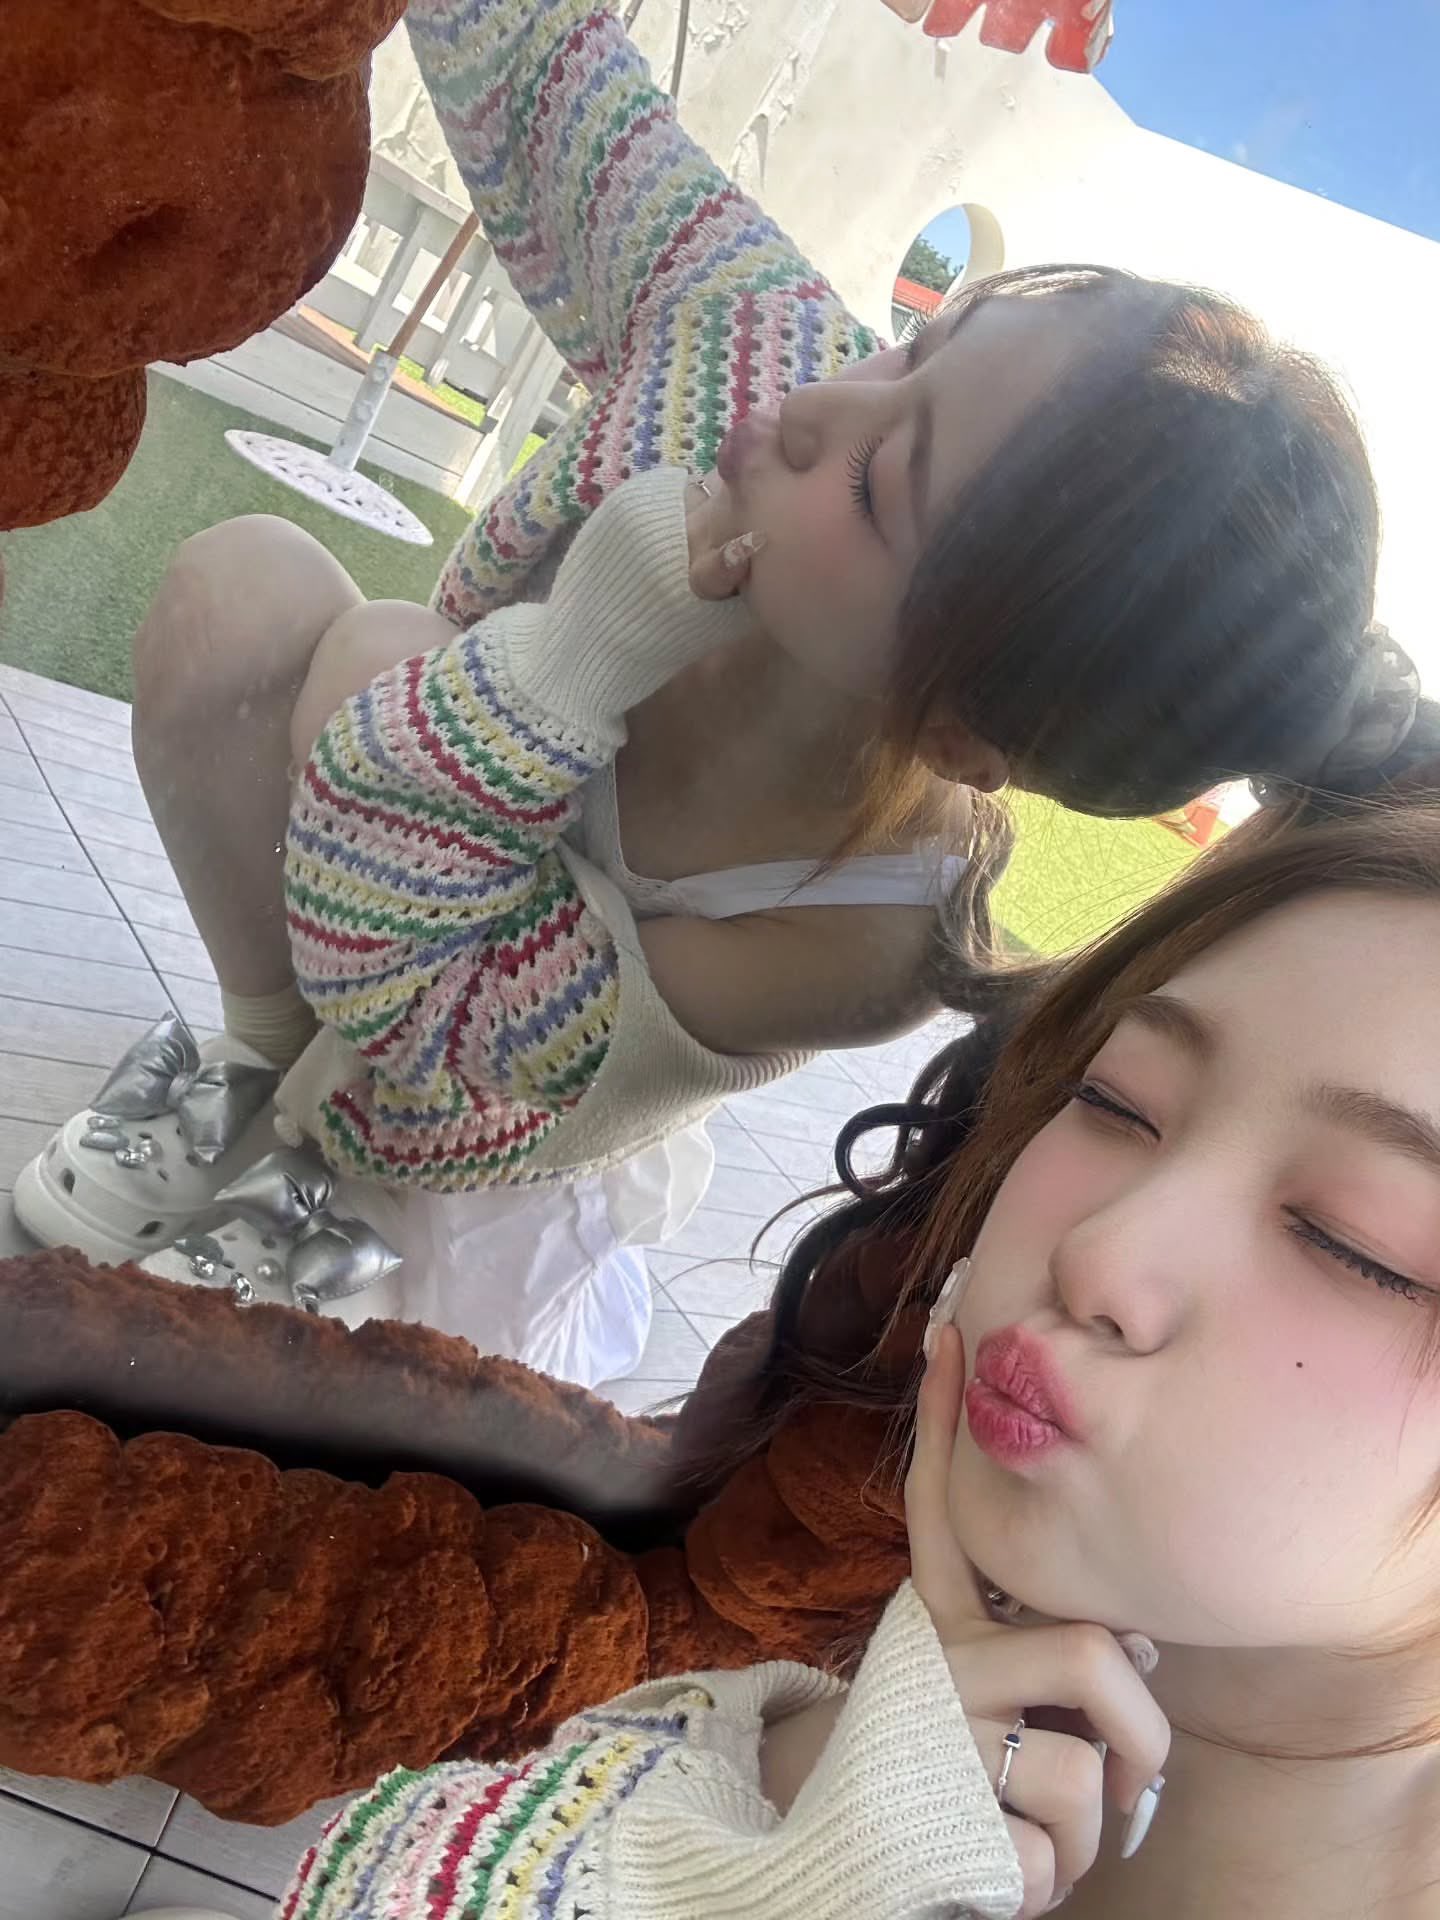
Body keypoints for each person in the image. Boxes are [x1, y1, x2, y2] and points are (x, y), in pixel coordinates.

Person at [17, 0, 1436, 1386]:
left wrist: (578, 653)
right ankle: (257, 1076)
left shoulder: (862, 931)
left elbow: (430, 1026)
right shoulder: (756, 338)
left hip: (477, 1126)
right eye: (912, 348)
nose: (816, 407)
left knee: (377, 659)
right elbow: (526, 62)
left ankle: (319, 1170)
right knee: (244, 587)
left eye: (881, 482)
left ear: (960, 728)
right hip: (379, 875)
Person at [134, 772, 1424, 1920]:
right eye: (1116, 1100)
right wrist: (795, 1819)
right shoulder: (840, 1724)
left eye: (1358, 1243)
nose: (1102, 1253)